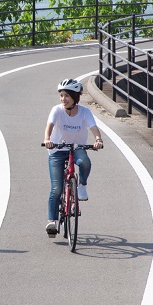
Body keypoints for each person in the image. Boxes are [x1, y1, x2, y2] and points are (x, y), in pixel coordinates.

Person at [43, 77, 104, 237]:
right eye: (61, 95)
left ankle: (81, 186)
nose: (63, 99)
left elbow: (93, 127)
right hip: (57, 149)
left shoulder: (85, 112)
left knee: (84, 162)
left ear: (75, 97)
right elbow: (49, 126)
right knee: (56, 188)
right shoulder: (56, 110)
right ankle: (52, 222)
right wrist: (48, 140)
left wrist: (98, 140)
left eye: (67, 96)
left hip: (77, 148)